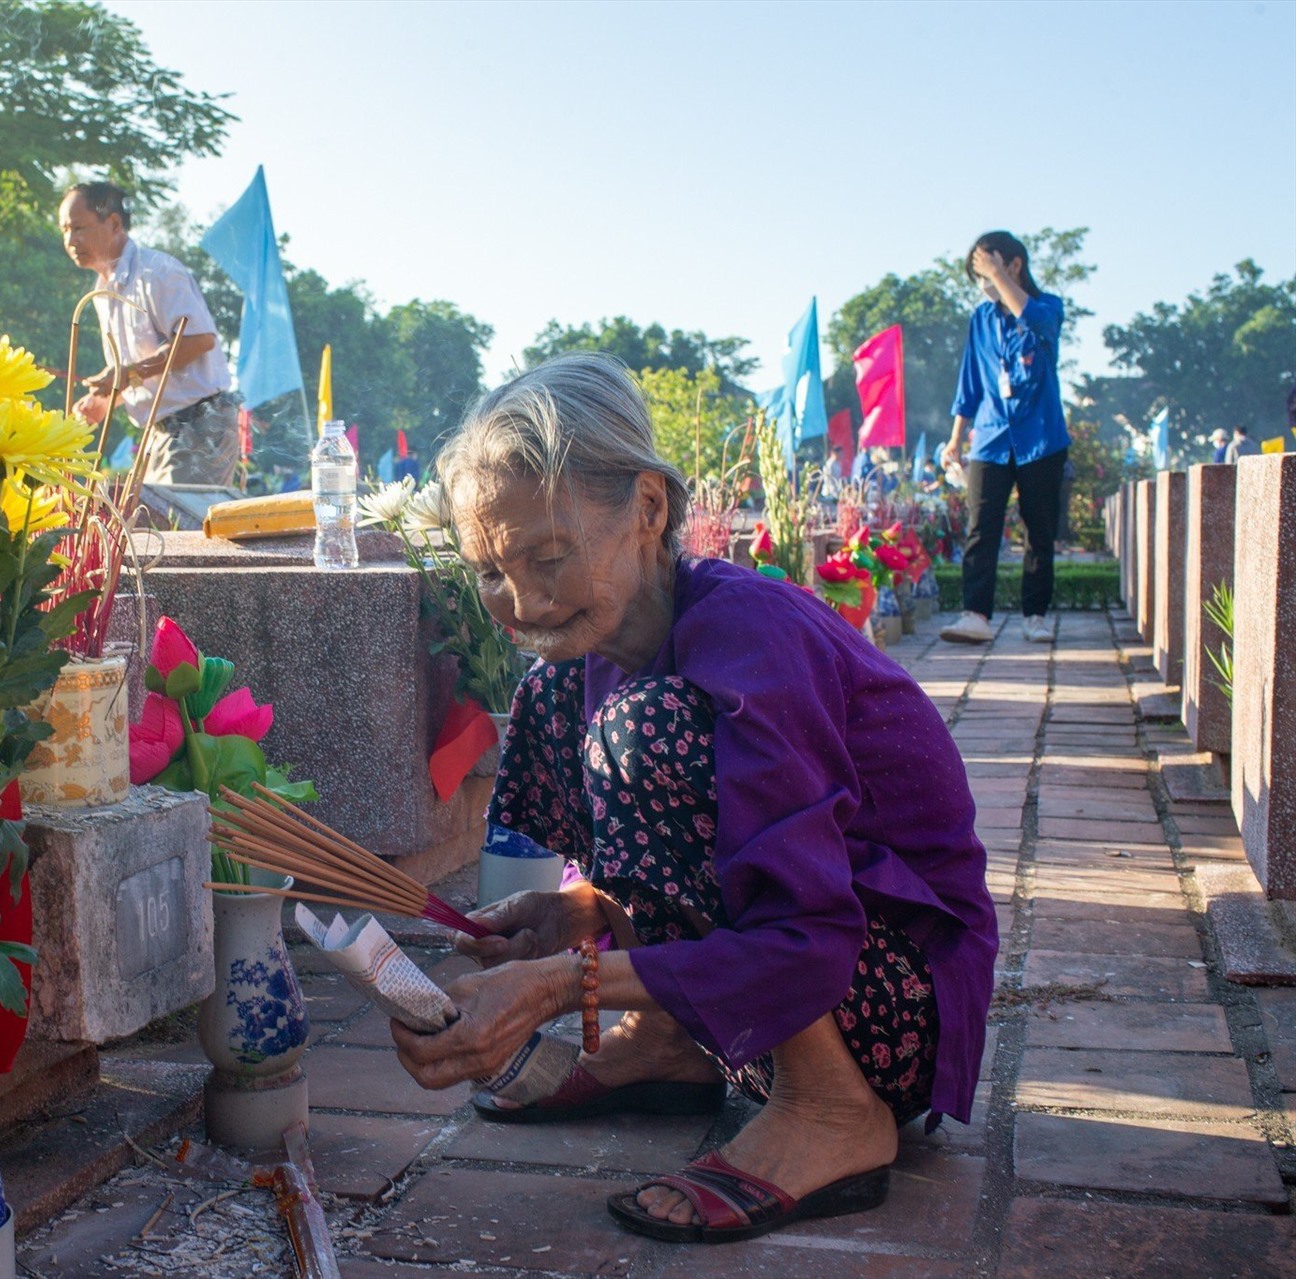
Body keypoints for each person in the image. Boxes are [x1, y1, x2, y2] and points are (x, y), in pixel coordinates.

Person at [390, 354, 995, 1244]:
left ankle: (829, 1105)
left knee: (649, 728)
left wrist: (560, 986)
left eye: (548, 556)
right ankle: (667, 1034)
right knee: (559, 692)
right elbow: (687, 860)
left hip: (887, 1000)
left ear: (648, 509)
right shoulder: (599, 647)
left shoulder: (751, 641)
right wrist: (582, 913)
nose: (518, 601)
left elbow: (813, 935)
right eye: (489, 569)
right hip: (762, 993)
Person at [57, 181, 241, 486]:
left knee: (176, 530)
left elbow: (199, 340)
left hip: (199, 425)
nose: (70, 240)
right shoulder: (103, 292)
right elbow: (148, 370)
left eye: (78, 228)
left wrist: (126, 374)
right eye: (65, 230)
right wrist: (107, 399)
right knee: (148, 529)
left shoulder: (157, 271)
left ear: (114, 223)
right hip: (160, 432)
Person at [941, 231, 1069, 646]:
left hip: (1041, 438)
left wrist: (999, 275)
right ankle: (975, 614)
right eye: (979, 276)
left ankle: (1036, 615)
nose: (984, 283)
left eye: (988, 271)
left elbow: (1037, 323)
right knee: (982, 527)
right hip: (992, 437)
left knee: (1039, 528)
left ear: (1013, 265)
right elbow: (970, 383)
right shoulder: (981, 319)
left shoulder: (1048, 307)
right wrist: (955, 438)